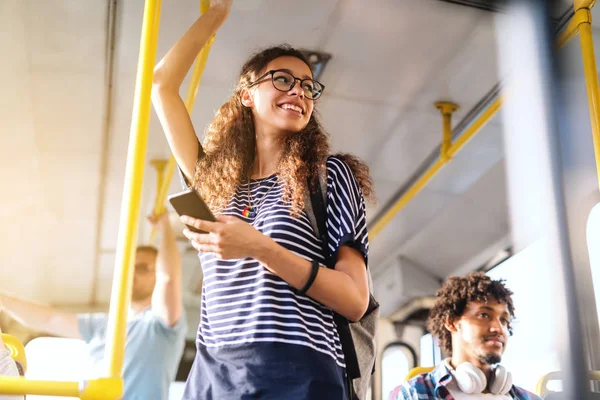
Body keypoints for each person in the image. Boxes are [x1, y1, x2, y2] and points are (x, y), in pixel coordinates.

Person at [151, 1, 375, 398]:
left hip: (298, 371)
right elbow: (162, 84)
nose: (300, 92)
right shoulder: (213, 180)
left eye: (308, 86)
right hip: (214, 373)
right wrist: (215, 15)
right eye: (283, 80)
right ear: (247, 95)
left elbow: (354, 300)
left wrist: (260, 247)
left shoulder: (329, 177)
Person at [0, 213, 186, 400]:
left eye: (143, 267)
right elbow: (50, 319)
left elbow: (168, 279)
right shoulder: (106, 325)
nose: (133, 272)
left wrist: (165, 227)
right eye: (131, 266)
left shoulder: (160, 327)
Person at [389, 272, 541, 400]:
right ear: (452, 322)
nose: (498, 328)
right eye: (484, 315)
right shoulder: (412, 394)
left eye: (504, 320)